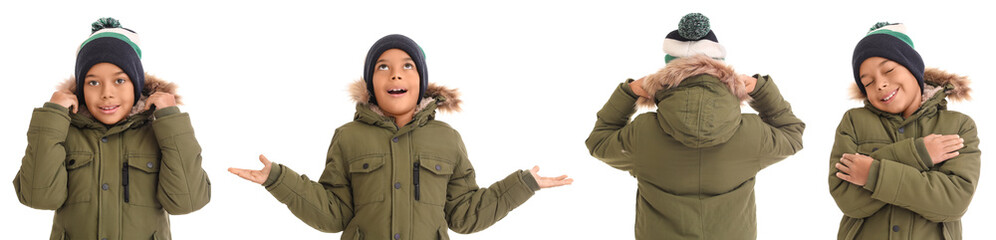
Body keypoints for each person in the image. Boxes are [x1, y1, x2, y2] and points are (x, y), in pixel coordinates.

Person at [229, 34, 572, 240]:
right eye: (383, 66)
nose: (396, 73)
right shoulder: (347, 137)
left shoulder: (447, 139)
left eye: (407, 65)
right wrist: (278, 180)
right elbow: (334, 214)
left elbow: (465, 214)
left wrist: (523, 185)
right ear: (371, 83)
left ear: (420, 81)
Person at [585, 13, 805, 239]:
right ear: (721, 71)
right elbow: (792, 135)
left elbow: (599, 142)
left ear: (668, 72)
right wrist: (762, 91)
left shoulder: (643, 133)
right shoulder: (752, 133)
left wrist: (627, 94)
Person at [13, 17, 211, 240]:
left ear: (136, 84)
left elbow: (187, 202)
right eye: (93, 82)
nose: (107, 93)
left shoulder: (160, 132)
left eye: (119, 81)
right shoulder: (63, 131)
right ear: (80, 88)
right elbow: (37, 198)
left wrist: (171, 120)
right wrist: (51, 117)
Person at [829, 22, 980, 240]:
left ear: (912, 67)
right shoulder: (853, 122)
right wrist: (919, 154)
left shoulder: (958, 126)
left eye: (889, 70)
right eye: (868, 83)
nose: (880, 84)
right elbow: (848, 199)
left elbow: (953, 203)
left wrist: (871, 173)